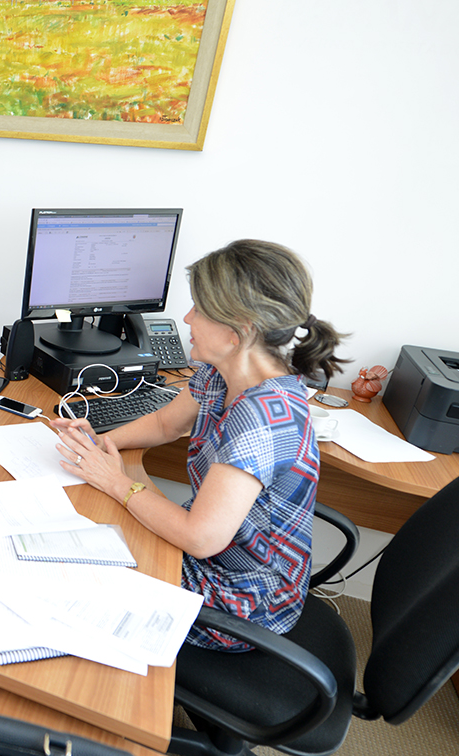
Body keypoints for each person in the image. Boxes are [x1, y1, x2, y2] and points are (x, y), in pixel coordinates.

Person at [49, 240, 347, 651]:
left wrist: (116, 482)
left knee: (69, 583)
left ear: (238, 329)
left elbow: (201, 538)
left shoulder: (260, 419)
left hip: (241, 600)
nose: (186, 318)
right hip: (213, 556)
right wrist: (100, 443)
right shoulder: (222, 373)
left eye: (199, 310)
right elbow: (165, 423)